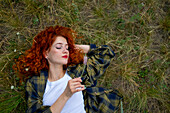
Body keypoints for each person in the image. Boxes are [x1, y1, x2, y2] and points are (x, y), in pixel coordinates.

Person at [13, 25, 122, 113]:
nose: (65, 51)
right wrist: (66, 94)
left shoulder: (77, 72)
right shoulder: (35, 83)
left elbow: (106, 53)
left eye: (67, 48)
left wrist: (77, 47)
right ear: (46, 53)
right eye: (59, 47)